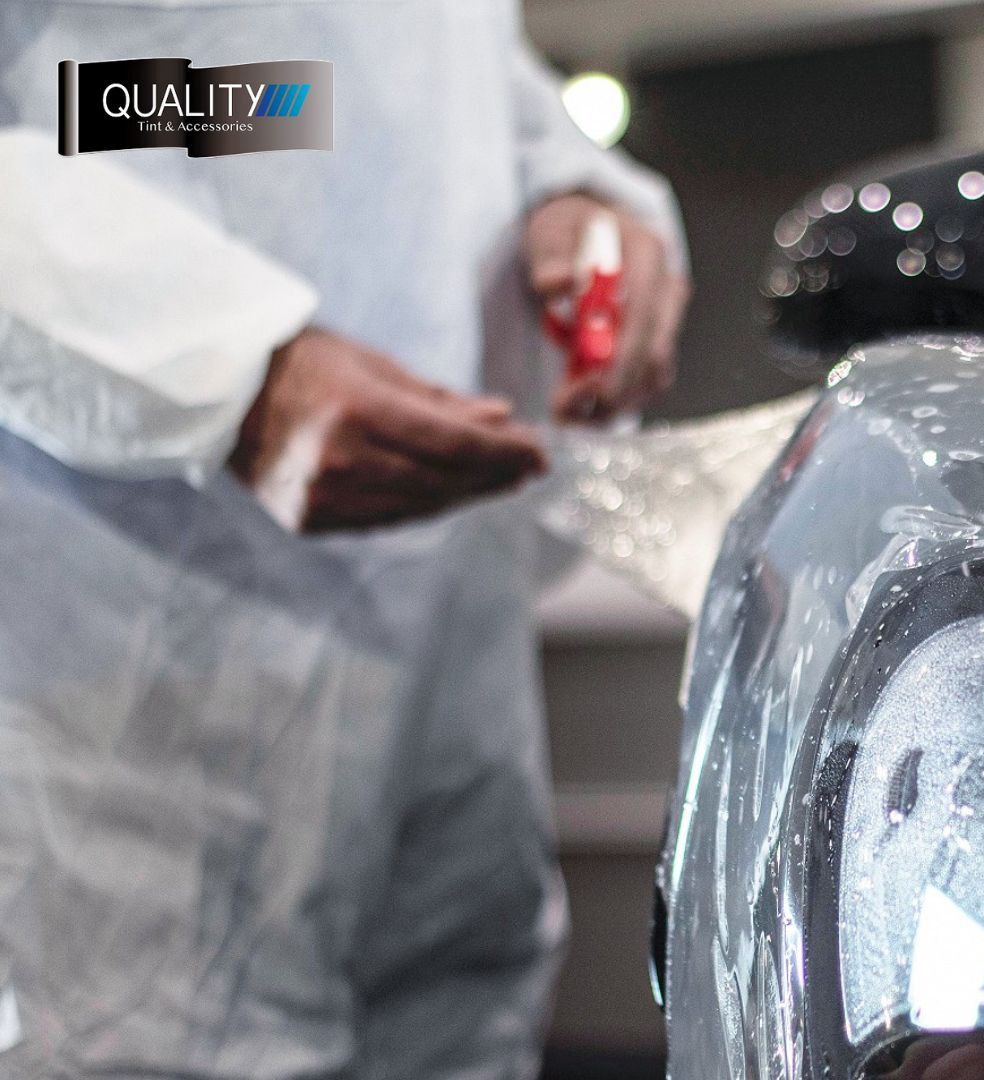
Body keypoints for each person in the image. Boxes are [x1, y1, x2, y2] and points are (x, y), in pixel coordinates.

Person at [0, 3, 687, 1076]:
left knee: (460, 1020)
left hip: (445, 640)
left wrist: (571, 188)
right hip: (127, 664)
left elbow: (427, 79)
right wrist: (219, 362)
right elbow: (169, 98)